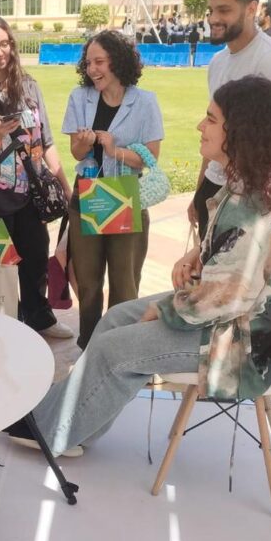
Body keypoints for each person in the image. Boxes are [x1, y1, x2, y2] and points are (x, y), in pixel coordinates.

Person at [8, 75, 271, 458]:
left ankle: (55, 432)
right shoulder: (246, 185)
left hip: (243, 345)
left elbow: (226, 297)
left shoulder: (256, 207)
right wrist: (198, 255)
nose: (200, 126)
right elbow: (231, 260)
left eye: (210, 119)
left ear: (240, 131)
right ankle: (68, 421)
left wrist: (167, 309)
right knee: (115, 319)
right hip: (224, 317)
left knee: (113, 349)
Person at [0, 14, 73, 338]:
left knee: (36, 257)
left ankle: (40, 318)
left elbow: (46, 141)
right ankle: (4, 326)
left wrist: (65, 188)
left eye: (4, 44)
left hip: (31, 193)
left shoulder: (29, 87)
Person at [61, 30, 164, 349]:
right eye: (88, 63)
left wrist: (114, 150)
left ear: (117, 62)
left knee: (125, 283)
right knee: (88, 282)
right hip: (88, 196)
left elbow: (151, 156)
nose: (92, 69)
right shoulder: (79, 97)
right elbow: (76, 153)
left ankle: (120, 349)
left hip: (125, 198)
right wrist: (83, 142)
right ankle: (89, 348)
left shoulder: (145, 101)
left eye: (99, 62)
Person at [189, 0, 271, 238]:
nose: (213, 19)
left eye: (224, 10)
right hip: (215, 184)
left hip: (252, 196)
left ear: (251, 9)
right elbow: (214, 128)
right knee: (205, 259)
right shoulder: (217, 62)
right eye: (211, 10)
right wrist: (200, 190)